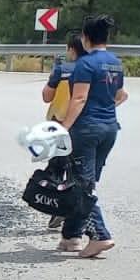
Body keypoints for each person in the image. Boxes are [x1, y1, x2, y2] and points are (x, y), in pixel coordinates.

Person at [59, 14, 128, 259]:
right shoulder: (115, 63)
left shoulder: (85, 64)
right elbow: (121, 95)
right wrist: (105, 110)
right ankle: (71, 235)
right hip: (109, 128)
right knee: (88, 180)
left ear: (85, 38)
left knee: (81, 185)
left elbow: (78, 98)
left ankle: (100, 235)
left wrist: (64, 127)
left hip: (86, 129)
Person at [38, 36, 87, 231]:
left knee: (57, 166)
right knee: (78, 170)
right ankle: (76, 216)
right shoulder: (93, 69)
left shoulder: (63, 69)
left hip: (60, 122)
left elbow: (46, 96)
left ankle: (58, 209)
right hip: (84, 124)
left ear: (72, 50)